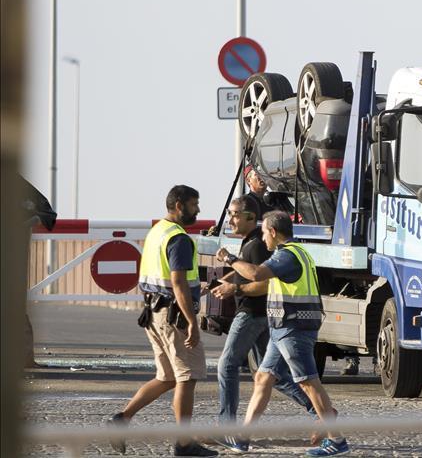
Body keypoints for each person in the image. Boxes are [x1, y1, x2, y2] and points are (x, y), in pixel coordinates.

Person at [216, 211, 349, 457]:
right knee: (263, 378)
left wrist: (229, 258)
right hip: (283, 328)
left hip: (294, 328)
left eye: (264, 233)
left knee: (308, 381)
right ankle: (242, 438)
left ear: (273, 232)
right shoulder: (294, 252)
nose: (263, 238)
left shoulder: (287, 255)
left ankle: (337, 440)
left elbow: (256, 274)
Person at [106, 185, 217, 456]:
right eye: (194, 204)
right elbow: (178, 282)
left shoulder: (157, 232)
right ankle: (184, 443)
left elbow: (164, 279)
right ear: (179, 205)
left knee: (167, 377)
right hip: (174, 317)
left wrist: (194, 290)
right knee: (187, 376)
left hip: (154, 314)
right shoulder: (179, 238)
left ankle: (122, 419)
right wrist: (192, 322)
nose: (198, 210)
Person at [210, 195, 317, 452]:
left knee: (228, 365)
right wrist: (228, 280)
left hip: (263, 317)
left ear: (251, 217)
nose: (230, 219)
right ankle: (318, 413)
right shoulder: (255, 244)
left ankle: (227, 429)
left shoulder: (261, 246)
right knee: (268, 376)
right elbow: (250, 272)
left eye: (235, 214)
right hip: (273, 319)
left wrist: (234, 283)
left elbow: (260, 279)